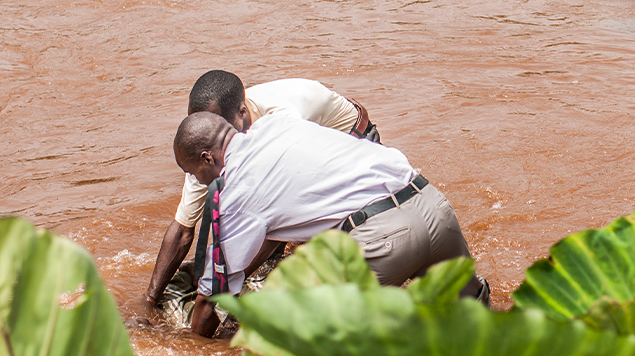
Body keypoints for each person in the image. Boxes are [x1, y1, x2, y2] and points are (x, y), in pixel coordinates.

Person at [173, 110, 488, 337]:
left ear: (207, 158)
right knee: (475, 322)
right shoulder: (277, 123)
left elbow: (211, 297)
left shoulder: (235, 190)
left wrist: (194, 344)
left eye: (194, 173)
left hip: (383, 240)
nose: (198, 181)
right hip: (433, 206)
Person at [143, 70, 379, 308]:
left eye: (217, 125)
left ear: (242, 113)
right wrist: (150, 298)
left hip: (350, 141)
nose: (210, 132)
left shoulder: (282, 118)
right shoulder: (208, 142)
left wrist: (224, 273)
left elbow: (282, 201)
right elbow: (183, 229)